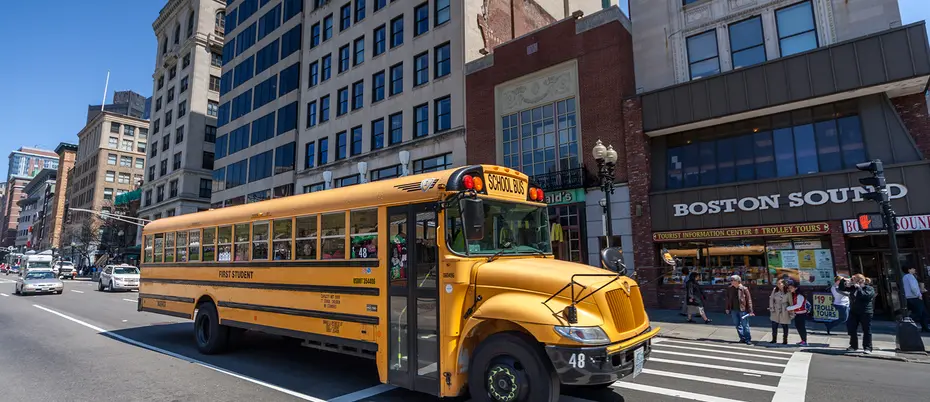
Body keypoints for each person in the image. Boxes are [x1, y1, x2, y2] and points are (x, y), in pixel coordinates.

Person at [846, 274, 876, 354]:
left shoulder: (869, 288)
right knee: (852, 329)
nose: (853, 281)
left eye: (854, 279)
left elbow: (864, 296)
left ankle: (867, 347)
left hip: (865, 312)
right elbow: (841, 288)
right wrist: (845, 281)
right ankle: (853, 346)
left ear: (860, 281)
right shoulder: (853, 288)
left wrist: (859, 288)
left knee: (866, 330)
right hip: (854, 311)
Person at [725, 275, 754, 344]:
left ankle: (748, 339)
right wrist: (727, 308)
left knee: (745, 325)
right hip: (733, 310)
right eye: (731, 280)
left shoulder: (744, 289)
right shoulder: (730, 289)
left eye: (733, 280)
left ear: (738, 281)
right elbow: (727, 299)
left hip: (743, 310)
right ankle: (742, 338)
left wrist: (750, 310)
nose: (731, 282)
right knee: (737, 324)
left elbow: (749, 300)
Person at [902, 266, 930, 332]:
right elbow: (913, 287)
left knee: (923, 313)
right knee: (919, 313)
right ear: (909, 270)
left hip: (910, 297)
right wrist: (918, 294)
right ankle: (906, 322)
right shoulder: (910, 277)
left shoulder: (905, 277)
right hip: (914, 297)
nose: (914, 269)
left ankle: (925, 327)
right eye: (913, 268)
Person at [785, 281, 809, 346]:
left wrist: (788, 308)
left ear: (796, 288)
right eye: (789, 288)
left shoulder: (800, 296)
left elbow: (798, 305)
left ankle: (804, 341)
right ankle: (802, 340)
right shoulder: (795, 295)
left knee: (801, 327)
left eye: (791, 288)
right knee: (798, 327)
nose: (790, 289)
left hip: (801, 314)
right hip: (797, 313)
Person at [769, 279, 792, 344]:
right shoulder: (775, 290)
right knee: (774, 325)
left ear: (783, 284)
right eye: (777, 283)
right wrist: (772, 308)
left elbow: (790, 301)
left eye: (780, 283)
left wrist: (791, 312)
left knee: (785, 326)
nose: (778, 285)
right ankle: (774, 339)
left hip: (784, 310)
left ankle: (785, 340)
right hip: (776, 309)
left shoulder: (788, 291)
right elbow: (771, 299)